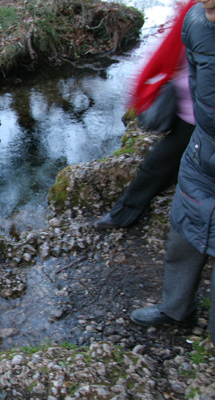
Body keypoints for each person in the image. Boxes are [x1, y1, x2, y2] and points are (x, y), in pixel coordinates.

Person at [130, 0, 215, 346]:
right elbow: (194, 86)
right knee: (183, 232)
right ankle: (175, 309)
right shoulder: (196, 20)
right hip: (202, 153)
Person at [95, 0, 196, 229]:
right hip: (191, 111)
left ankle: (125, 215)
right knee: (164, 161)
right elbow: (168, 52)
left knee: (158, 164)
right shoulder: (194, 10)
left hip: (199, 115)